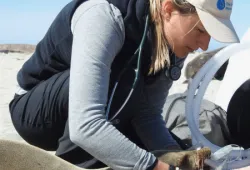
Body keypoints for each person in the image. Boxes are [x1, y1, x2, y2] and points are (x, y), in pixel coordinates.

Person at [8, 0, 239, 169]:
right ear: (168, 9)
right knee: (122, 80)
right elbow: (85, 125)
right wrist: (154, 167)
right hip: (35, 113)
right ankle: (78, 165)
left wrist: (176, 158)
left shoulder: (174, 41)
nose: (204, 44)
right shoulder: (105, 16)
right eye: (200, 30)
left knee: (154, 133)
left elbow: (147, 114)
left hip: (98, 111)